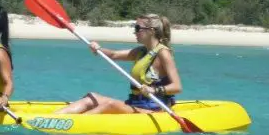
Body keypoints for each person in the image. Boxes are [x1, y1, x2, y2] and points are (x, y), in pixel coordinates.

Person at [54, 13, 182, 114]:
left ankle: (76, 124)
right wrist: (98, 49)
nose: (134, 32)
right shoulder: (141, 52)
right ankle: (52, 118)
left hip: (154, 110)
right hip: (135, 105)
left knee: (111, 105)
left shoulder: (163, 53)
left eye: (137, 28)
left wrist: (153, 90)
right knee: (91, 97)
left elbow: (177, 87)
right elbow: (113, 55)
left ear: (152, 31)